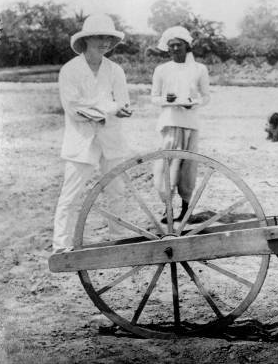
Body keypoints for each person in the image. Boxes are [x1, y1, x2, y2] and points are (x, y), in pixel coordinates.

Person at [52, 14, 132, 253]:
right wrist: (109, 108)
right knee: (71, 194)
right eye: (99, 37)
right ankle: (61, 245)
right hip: (82, 140)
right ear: (86, 39)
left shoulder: (115, 70)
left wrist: (114, 109)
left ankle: (118, 239)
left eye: (109, 38)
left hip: (111, 138)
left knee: (116, 190)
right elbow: (74, 109)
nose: (105, 42)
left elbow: (123, 102)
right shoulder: (70, 70)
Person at [151, 26, 211, 223]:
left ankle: (186, 209)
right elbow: (154, 97)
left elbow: (206, 96)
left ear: (187, 47)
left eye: (179, 45)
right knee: (166, 166)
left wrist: (192, 103)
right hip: (169, 122)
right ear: (167, 49)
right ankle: (167, 208)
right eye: (171, 46)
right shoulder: (162, 70)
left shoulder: (199, 69)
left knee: (188, 168)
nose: (175, 49)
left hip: (191, 123)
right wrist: (166, 100)